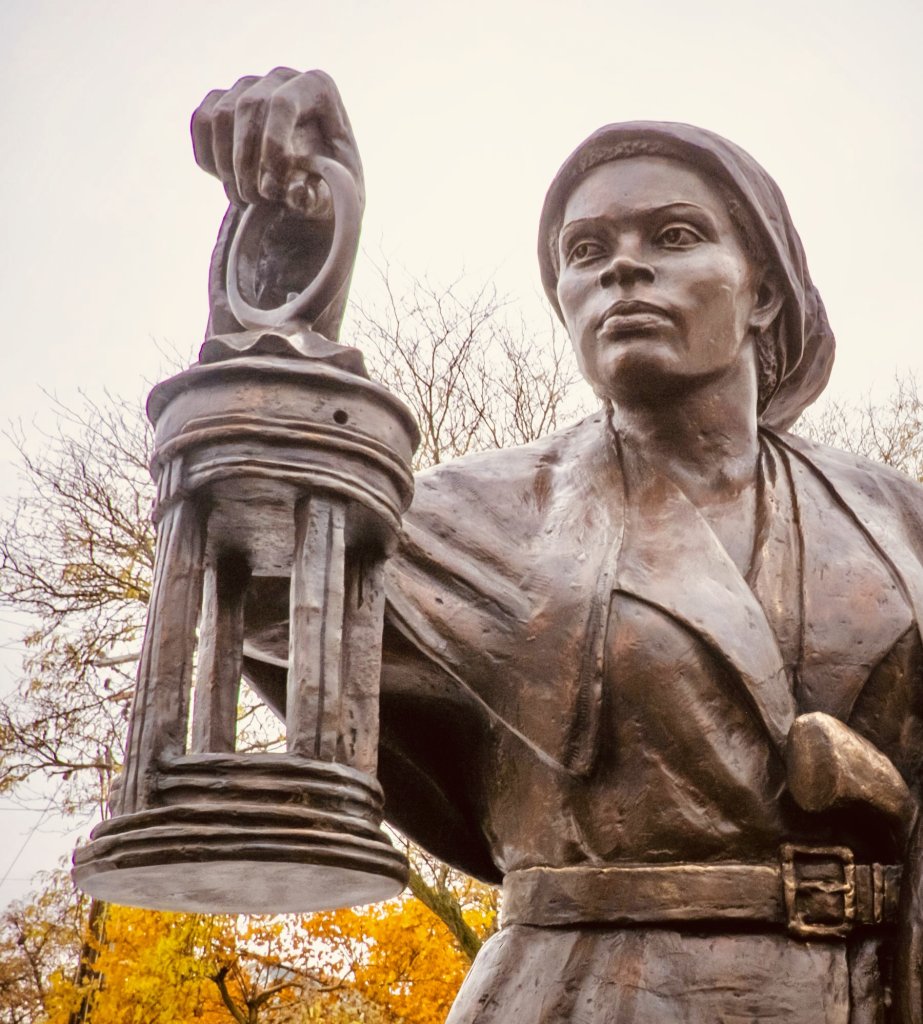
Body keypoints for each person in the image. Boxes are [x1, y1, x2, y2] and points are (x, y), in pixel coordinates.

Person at [193, 69, 923, 1023]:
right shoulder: (479, 514)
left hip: (866, 993)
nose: (622, 268)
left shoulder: (895, 517)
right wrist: (287, 274)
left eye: (673, 236)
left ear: (763, 294)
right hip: (589, 994)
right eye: (585, 251)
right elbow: (272, 566)